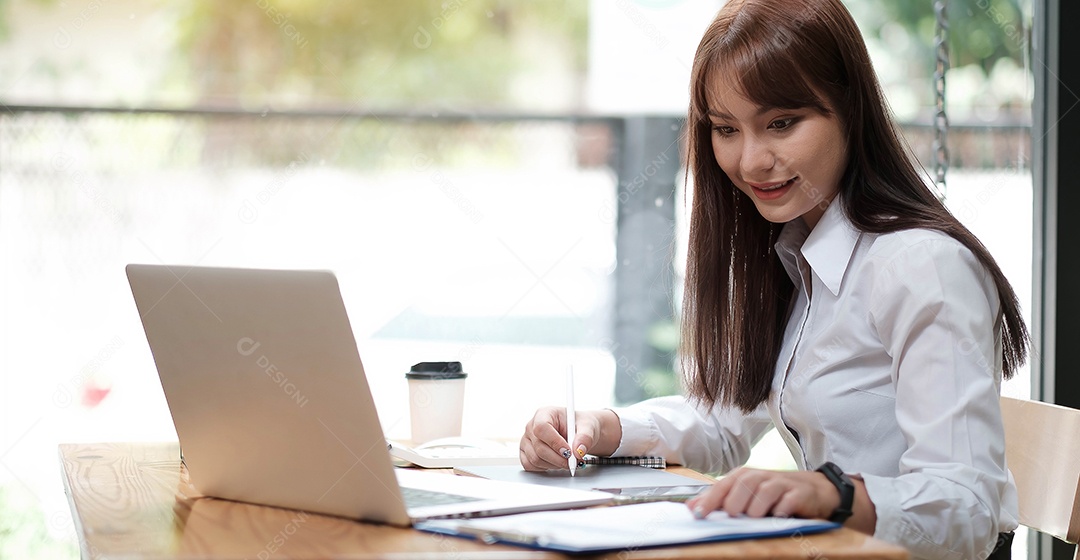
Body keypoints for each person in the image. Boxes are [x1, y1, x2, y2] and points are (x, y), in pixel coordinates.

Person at [518, 0, 1028, 558]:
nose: (752, 160)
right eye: (726, 129)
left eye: (781, 123)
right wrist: (600, 427)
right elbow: (723, 425)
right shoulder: (796, 254)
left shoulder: (921, 267)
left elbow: (967, 509)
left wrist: (826, 494)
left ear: (849, 109)